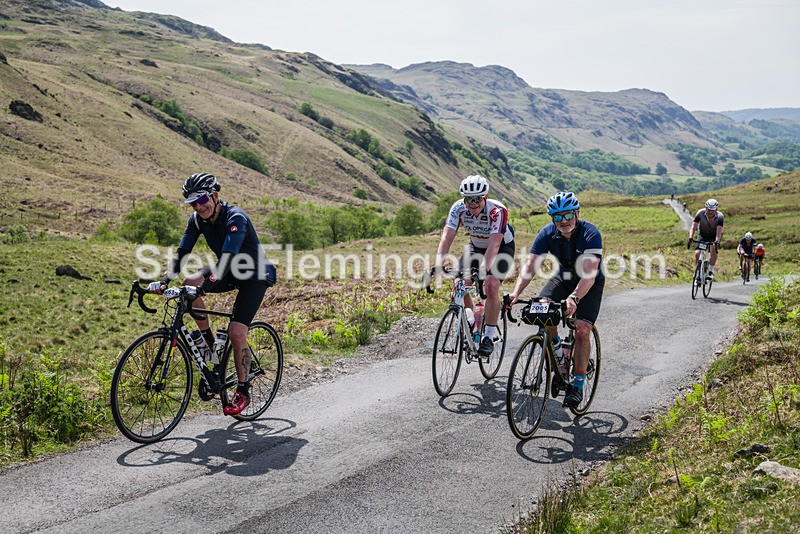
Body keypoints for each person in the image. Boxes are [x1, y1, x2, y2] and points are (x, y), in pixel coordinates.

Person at [148, 172, 277, 416]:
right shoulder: (197, 220)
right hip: (229, 271)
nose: (198, 207)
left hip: (255, 275)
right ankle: (208, 340)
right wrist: (165, 280)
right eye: (192, 203)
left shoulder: (236, 217)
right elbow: (182, 252)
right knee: (189, 283)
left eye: (201, 200)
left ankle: (243, 389)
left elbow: (228, 257)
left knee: (236, 331)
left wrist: (207, 285)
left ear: (215, 196)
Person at [508, 191, 604, 409]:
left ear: (577, 213)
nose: (564, 221)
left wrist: (574, 298)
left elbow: (589, 275)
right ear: (552, 218)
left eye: (568, 215)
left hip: (589, 282)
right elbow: (530, 267)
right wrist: (515, 293)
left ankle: (577, 385)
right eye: (558, 217)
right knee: (542, 312)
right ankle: (560, 357)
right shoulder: (547, 233)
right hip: (563, 278)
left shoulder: (591, 234)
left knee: (582, 329)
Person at [433, 174, 515, 358]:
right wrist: (438, 264)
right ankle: (470, 320)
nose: (473, 203)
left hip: (501, 248)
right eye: (469, 199)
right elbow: (446, 238)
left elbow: (494, 244)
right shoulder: (458, 208)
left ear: (485, 197)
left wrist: (484, 270)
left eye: (477, 199)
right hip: (475, 246)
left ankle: (489, 337)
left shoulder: (497, 211)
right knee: (460, 284)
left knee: (491, 285)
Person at [687, 199, 724, 281]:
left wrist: (717, 240)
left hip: (713, 236)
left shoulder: (720, 216)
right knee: (697, 253)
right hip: (703, 235)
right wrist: (690, 237)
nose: (710, 212)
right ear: (706, 208)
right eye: (709, 210)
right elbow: (693, 226)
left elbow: (719, 230)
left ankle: (711, 271)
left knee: (713, 248)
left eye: (713, 210)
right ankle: (698, 272)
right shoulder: (700, 213)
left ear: (716, 209)